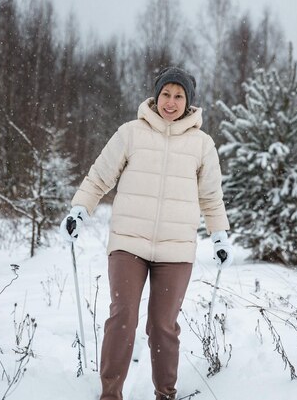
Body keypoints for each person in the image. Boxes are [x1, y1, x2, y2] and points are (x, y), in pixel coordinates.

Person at [60, 66, 234, 400]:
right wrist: (80, 209)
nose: (171, 102)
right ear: (156, 96)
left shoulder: (202, 144)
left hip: (176, 251)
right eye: (166, 94)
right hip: (129, 242)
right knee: (122, 317)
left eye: (178, 96)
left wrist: (219, 235)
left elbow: (211, 196)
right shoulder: (131, 133)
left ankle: (165, 394)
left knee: (163, 327)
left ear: (189, 101)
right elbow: (99, 177)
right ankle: (110, 393)